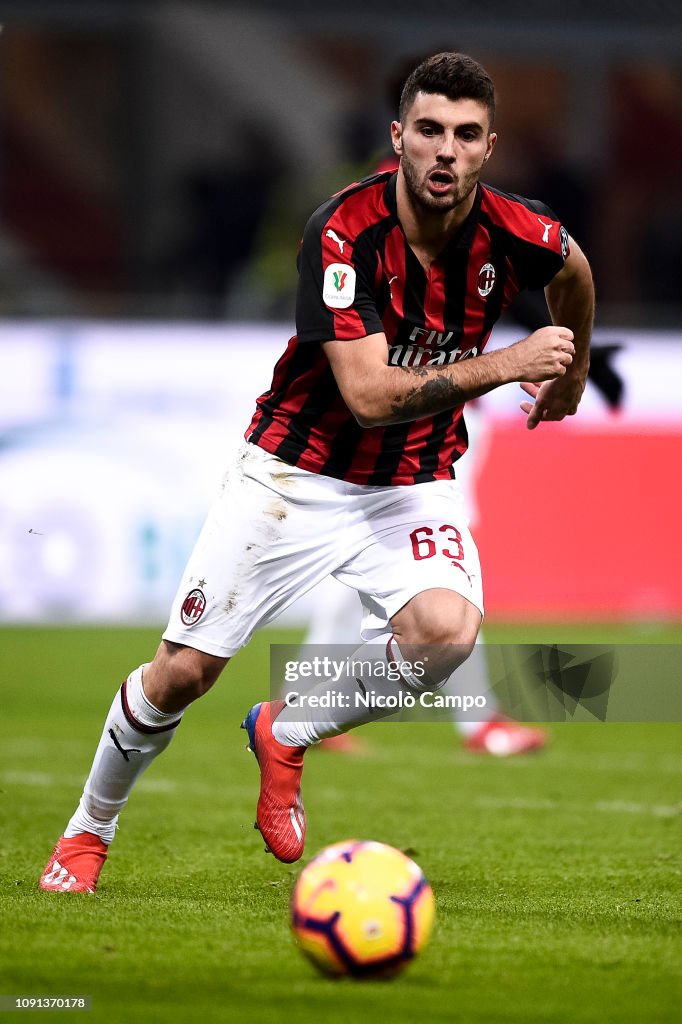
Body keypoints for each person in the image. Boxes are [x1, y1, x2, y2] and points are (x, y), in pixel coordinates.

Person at [40, 52, 593, 891]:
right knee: (182, 675)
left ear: (490, 147)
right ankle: (87, 832)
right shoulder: (342, 232)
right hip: (293, 475)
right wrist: (512, 362)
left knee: (446, 632)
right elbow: (369, 395)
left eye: (468, 135)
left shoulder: (519, 231)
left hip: (410, 481)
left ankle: (288, 730)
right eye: (432, 131)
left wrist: (576, 372)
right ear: (399, 136)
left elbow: (576, 271)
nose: (447, 151)